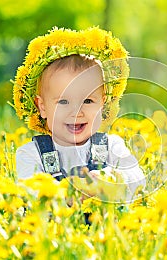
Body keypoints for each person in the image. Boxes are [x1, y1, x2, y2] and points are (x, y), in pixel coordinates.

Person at [12, 27, 145, 202]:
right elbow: (28, 194)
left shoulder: (111, 146)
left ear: (102, 104)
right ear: (42, 107)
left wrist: (111, 178)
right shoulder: (31, 154)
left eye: (88, 101)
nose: (76, 113)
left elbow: (138, 180)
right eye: (63, 102)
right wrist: (68, 193)